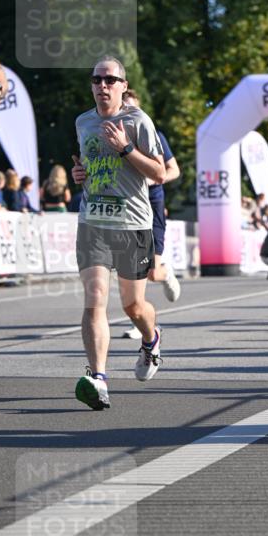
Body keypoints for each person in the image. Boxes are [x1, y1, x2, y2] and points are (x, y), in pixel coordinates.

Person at [71, 58, 165, 411]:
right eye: (97, 78)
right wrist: (79, 173)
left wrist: (127, 148)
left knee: (132, 306)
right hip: (93, 222)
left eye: (110, 79)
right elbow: (89, 163)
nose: (102, 85)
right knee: (95, 297)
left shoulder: (138, 122)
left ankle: (151, 338)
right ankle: (98, 378)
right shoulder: (84, 122)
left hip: (133, 225)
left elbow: (158, 173)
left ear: (124, 86)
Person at [120, 89, 181, 338]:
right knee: (131, 269)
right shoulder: (115, 136)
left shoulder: (154, 135)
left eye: (133, 108)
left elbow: (173, 170)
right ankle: (140, 324)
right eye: (125, 108)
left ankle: (166, 272)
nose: (129, 113)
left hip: (152, 207)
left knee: (152, 272)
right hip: (127, 208)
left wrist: (156, 179)